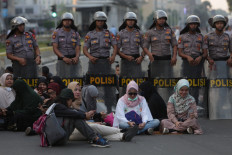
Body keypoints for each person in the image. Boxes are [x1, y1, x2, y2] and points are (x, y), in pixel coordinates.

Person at [67, 82, 138, 142]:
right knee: (93, 127)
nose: (78, 92)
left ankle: (123, 136)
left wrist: (98, 115)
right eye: (75, 90)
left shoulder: (82, 102)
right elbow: (78, 121)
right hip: (73, 131)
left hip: (85, 127)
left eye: (79, 90)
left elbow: (85, 116)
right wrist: (93, 122)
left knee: (98, 133)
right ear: (70, 90)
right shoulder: (67, 104)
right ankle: (122, 130)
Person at [83, 11, 117, 112]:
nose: (100, 23)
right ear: (95, 21)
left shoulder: (109, 33)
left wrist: (113, 56)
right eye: (98, 21)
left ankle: (109, 108)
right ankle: (90, 109)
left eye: (102, 21)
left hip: (106, 63)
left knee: (108, 87)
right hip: (94, 63)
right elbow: (84, 49)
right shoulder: (89, 34)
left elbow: (115, 46)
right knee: (91, 86)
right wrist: (90, 57)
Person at [143, 10, 178, 102]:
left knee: (169, 83)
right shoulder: (149, 32)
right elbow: (145, 47)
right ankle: (154, 103)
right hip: (155, 61)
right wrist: (149, 54)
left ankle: (169, 103)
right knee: (154, 84)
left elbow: (174, 45)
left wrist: (174, 57)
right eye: (160, 19)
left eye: (163, 19)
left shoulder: (169, 31)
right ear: (155, 20)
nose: (162, 20)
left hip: (167, 61)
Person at [204, 15, 232, 119]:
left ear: (224, 24)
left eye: (221, 23)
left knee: (224, 87)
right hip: (213, 65)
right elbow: (205, 52)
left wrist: (230, 58)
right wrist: (208, 58)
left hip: (224, 65)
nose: (219, 25)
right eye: (217, 23)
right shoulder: (208, 36)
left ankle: (223, 106)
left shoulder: (228, 36)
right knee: (212, 86)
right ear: (214, 25)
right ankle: (211, 108)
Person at [178, 15, 207, 105]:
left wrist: (200, 57)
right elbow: (180, 52)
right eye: (191, 24)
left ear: (197, 25)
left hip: (198, 63)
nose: (193, 26)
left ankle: (195, 103)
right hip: (187, 62)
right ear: (188, 25)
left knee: (196, 84)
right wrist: (187, 57)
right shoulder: (182, 37)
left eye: (195, 24)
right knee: (186, 83)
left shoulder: (201, 37)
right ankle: (185, 103)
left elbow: (205, 52)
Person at [117, 12, 145, 94]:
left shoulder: (139, 33)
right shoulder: (120, 33)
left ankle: (137, 101)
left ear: (135, 22)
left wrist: (141, 57)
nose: (130, 22)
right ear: (125, 21)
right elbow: (117, 50)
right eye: (129, 20)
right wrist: (126, 57)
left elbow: (145, 48)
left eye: (132, 20)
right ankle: (123, 102)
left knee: (137, 83)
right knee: (124, 83)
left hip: (136, 62)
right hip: (125, 62)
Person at [52, 12, 82, 78]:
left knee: (75, 79)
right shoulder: (56, 32)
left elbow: (78, 47)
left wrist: (77, 57)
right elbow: (55, 48)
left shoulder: (76, 33)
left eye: (69, 20)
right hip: (62, 60)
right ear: (62, 21)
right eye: (65, 20)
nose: (67, 22)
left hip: (73, 60)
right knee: (62, 79)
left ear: (71, 22)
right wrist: (63, 58)